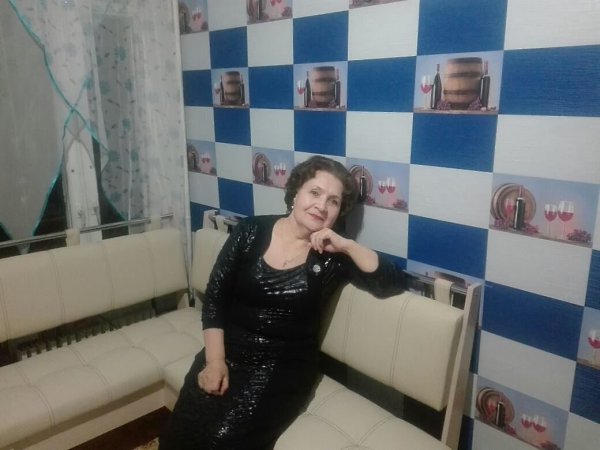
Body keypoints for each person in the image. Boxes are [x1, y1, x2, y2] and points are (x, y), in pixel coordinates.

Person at [159, 155, 406, 450]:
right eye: (315, 192)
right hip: (226, 350)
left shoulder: (332, 256)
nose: (321, 205)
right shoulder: (251, 230)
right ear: (296, 193)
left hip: (282, 369)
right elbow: (215, 299)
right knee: (179, 432)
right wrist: (214, 362)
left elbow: (390, 282)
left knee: (223, 440)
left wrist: (347, 245)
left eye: (333, 201)